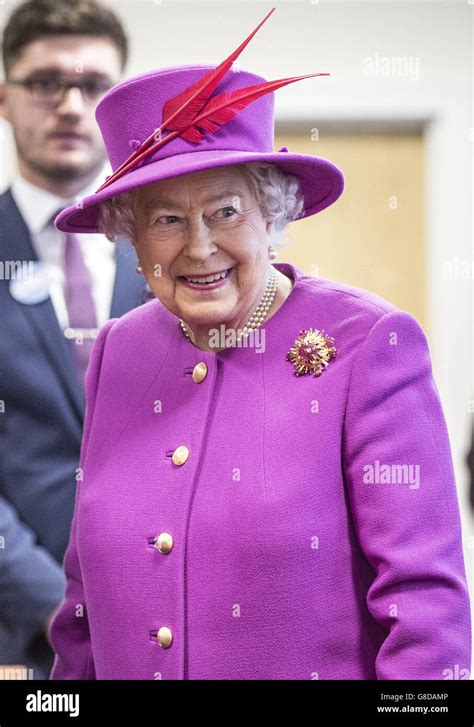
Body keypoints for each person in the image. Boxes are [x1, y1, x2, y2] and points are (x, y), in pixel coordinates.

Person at [49, 8, 471, 680]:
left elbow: (424, 613)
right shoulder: (117, 352)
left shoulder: (370, 346)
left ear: (271, 212)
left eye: (225, 210)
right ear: (133, 239)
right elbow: (81, 612)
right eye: (166, 219)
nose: (200, 245)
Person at [0, 0, 145, 679]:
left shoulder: (177, 257)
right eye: (44, 81)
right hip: (16, 635)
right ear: (5, 97)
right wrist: (52, 604)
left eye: (93, 86)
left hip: (161, 623)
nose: (69, 104)